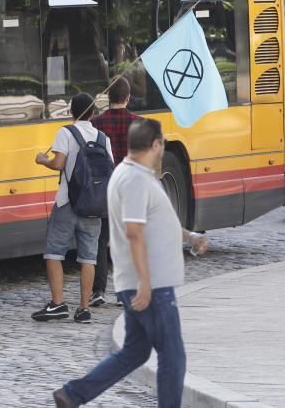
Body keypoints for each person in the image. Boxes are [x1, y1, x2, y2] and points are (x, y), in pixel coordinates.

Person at [52, 118, 208, 408]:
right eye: (162, 145)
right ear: (156, 145)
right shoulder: (135, 179)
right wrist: (146, 284)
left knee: (135, 352)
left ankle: (73, 395)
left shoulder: (131, 173)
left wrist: (189, 236)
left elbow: (154, 221)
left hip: (136, 281)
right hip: (151, 285)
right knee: (172, 355)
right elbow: (135, 232)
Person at [33, 92, 111, 324]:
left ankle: (57, 304)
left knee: (54, 252)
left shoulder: (65, 132)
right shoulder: (102, 138)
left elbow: (58, 164)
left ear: (71, 112)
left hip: (68, 202)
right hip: (94, 205)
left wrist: (41, 160)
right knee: (88, 257)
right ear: (93, 113)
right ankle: (84, 308)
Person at [89, 75, 142, 307]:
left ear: (107, 96)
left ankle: (98, 291)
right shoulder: (138, 123)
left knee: (100, 240)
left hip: (103, 188)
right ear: (128, 97)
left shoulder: (95, 123)